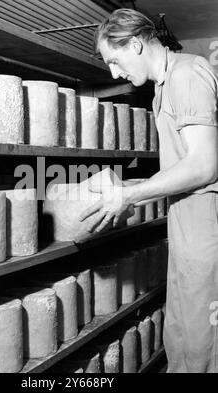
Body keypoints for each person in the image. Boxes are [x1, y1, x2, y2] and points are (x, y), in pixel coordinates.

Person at [79, 8, 218, 373]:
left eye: (114, 60)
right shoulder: (165, 85)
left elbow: (205, 165)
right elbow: (181, 166)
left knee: (205, 337)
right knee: (183, 329)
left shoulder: (187, 74)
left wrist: (130, 196)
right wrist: (129, 185)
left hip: (208, 224)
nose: (113, 72)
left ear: (137, 44)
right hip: (187, 220)